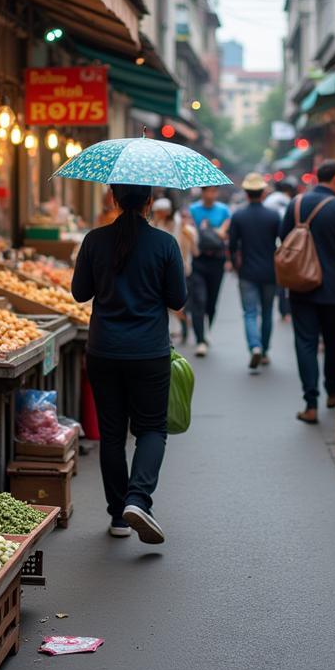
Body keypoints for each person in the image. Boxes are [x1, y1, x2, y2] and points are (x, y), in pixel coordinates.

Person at [72, 183, 187, 544]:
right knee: (151, 429)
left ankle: (118, 516)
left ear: (114, 199)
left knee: (112, 434)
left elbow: (80, 293)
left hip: (104, 350)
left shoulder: (94, 240)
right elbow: (177, 300)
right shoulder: (165, 244)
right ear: (150, 201)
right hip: (149, 352)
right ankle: (138, 499)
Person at [279, 160, 335, 423]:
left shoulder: (297, 204)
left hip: (302, 286)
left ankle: (310, 403)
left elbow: (283, 238)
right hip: (333, 287)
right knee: (332, 340)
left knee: (306, 342)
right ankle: (333, 392)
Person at [228, 173, 280, 372]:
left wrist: (235, 264)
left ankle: (254, 346)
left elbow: (232, 246)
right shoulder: (273, 215)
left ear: (246, 193)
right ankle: (265, 351)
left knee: (250, 312)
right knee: (267, 312)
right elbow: (282, 241)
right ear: (263, 192)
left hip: (247, 272)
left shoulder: (239, 216)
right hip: (270, 271)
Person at [188, 186, 231, 356]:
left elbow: (227, 235)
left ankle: (206, 331)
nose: (211, 195)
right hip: (198, 259)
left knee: (211, 302)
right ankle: (200, 339)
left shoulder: (224, 210)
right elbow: (189, 233)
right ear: (203, 192)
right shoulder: (193, 210)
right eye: (208, 191)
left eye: (214, 191)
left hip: (217, 260)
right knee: (199, 299)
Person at [151, 197, 197, 343]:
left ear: (164, 212)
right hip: (161, 267)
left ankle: (182, 328)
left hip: (177, 266)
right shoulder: (159, 223)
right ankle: (177, 329)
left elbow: (182, 247)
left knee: (176, 299)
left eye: (158, 212)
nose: (156, 214)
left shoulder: (179, 224)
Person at [264, 180, 294, 321]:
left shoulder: (269, 201)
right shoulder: (288, 201)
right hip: (285, 244)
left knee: (279, 280)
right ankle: (286, 310)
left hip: (272, 245)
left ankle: (283, 310)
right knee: (287, 279)